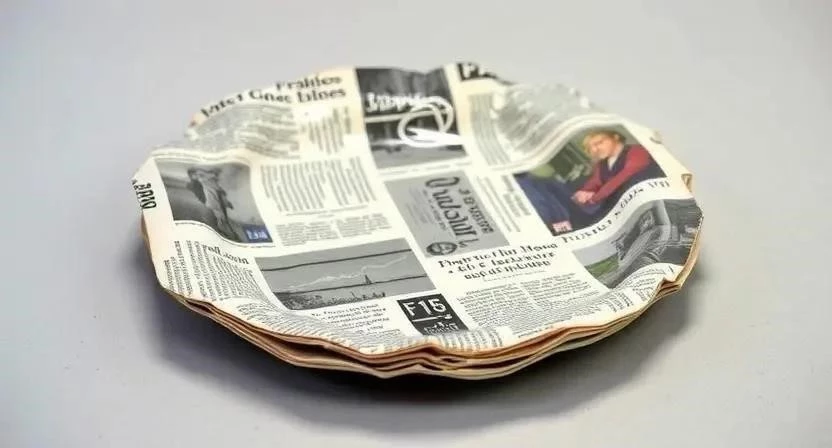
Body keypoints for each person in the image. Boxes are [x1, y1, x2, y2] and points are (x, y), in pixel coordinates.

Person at [571, 129, 664, 215]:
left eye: (599, 143)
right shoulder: (602, 164)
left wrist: (594, 199)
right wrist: (584, 192)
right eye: (590, 148)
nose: (594, 150)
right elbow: (596, 181)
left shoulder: (637, 151)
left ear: (615, 137)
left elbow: (623, 177)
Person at [186, 167, 237, 240]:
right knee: (222, 218)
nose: (197, 175)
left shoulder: (201, 181)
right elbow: (214, 187)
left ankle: (228, 233)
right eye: (195, 174)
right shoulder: (202, 181)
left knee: (222, 217)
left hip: (213, 202)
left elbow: (216, 189)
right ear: (192, 175)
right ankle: (229, 234)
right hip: (212, 202)